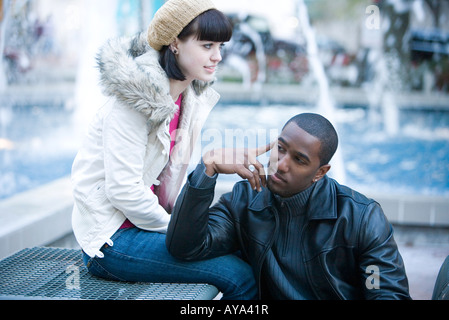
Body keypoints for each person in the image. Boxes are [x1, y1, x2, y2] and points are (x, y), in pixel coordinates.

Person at [71, 0, 257, 300]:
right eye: (207, 45)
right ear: (174, 43)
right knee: (238, 276)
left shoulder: (190, 97)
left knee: (248, 250)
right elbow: (123, 191)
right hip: (112, 239)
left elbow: (173, 180)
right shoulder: (133, 103)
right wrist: (182, 231)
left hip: (149, 226)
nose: (218, 57)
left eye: (220, 46)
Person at [166, 113, 412, 300]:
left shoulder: (361, 218)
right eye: (280, 149)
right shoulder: (244, 200)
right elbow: (185, 247)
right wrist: (207, 170)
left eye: (299, 160)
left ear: (320, 172)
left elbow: (385, 291)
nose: (281, 164)